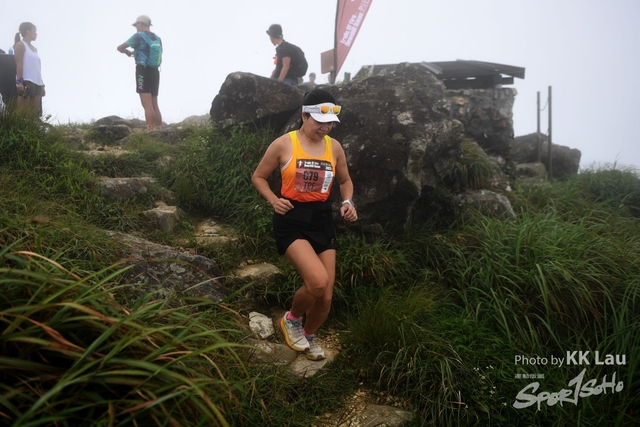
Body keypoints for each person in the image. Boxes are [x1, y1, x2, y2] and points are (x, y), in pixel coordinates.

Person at [252, 89, 358, 361]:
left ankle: (308, 336)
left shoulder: (334, 147)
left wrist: (348, 201)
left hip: (321, 219)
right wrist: (274, 200)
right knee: (318, 282)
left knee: (326, 297)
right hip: (291, 219)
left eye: (330, 122)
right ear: (304, 116)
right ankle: (291, 319)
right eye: (319, 122)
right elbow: (259, 177)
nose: (325, 127)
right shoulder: (283, 144)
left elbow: (345, 180)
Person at [117, 15, 163, 131]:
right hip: (155, 72)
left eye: (136, 25)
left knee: (146, 104)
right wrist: (136, 52)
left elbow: (120, 48)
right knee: (154, 104)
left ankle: (150, 130)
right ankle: (159, 129)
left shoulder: (138, 36)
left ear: (141, 24)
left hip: (143, 71)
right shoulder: (157, 38)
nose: (136, 27)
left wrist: (127, 52)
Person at [13, 22, 45, 116]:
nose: (36, 34)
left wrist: (42, 85)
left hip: (37, 82)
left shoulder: (35, 49)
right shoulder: (20, 45)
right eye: (34, 31)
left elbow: (37, 68)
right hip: (27, 81)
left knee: (33, 113)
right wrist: (20, 82)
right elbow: (19, 64)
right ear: (28, 31)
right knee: (23, 112)